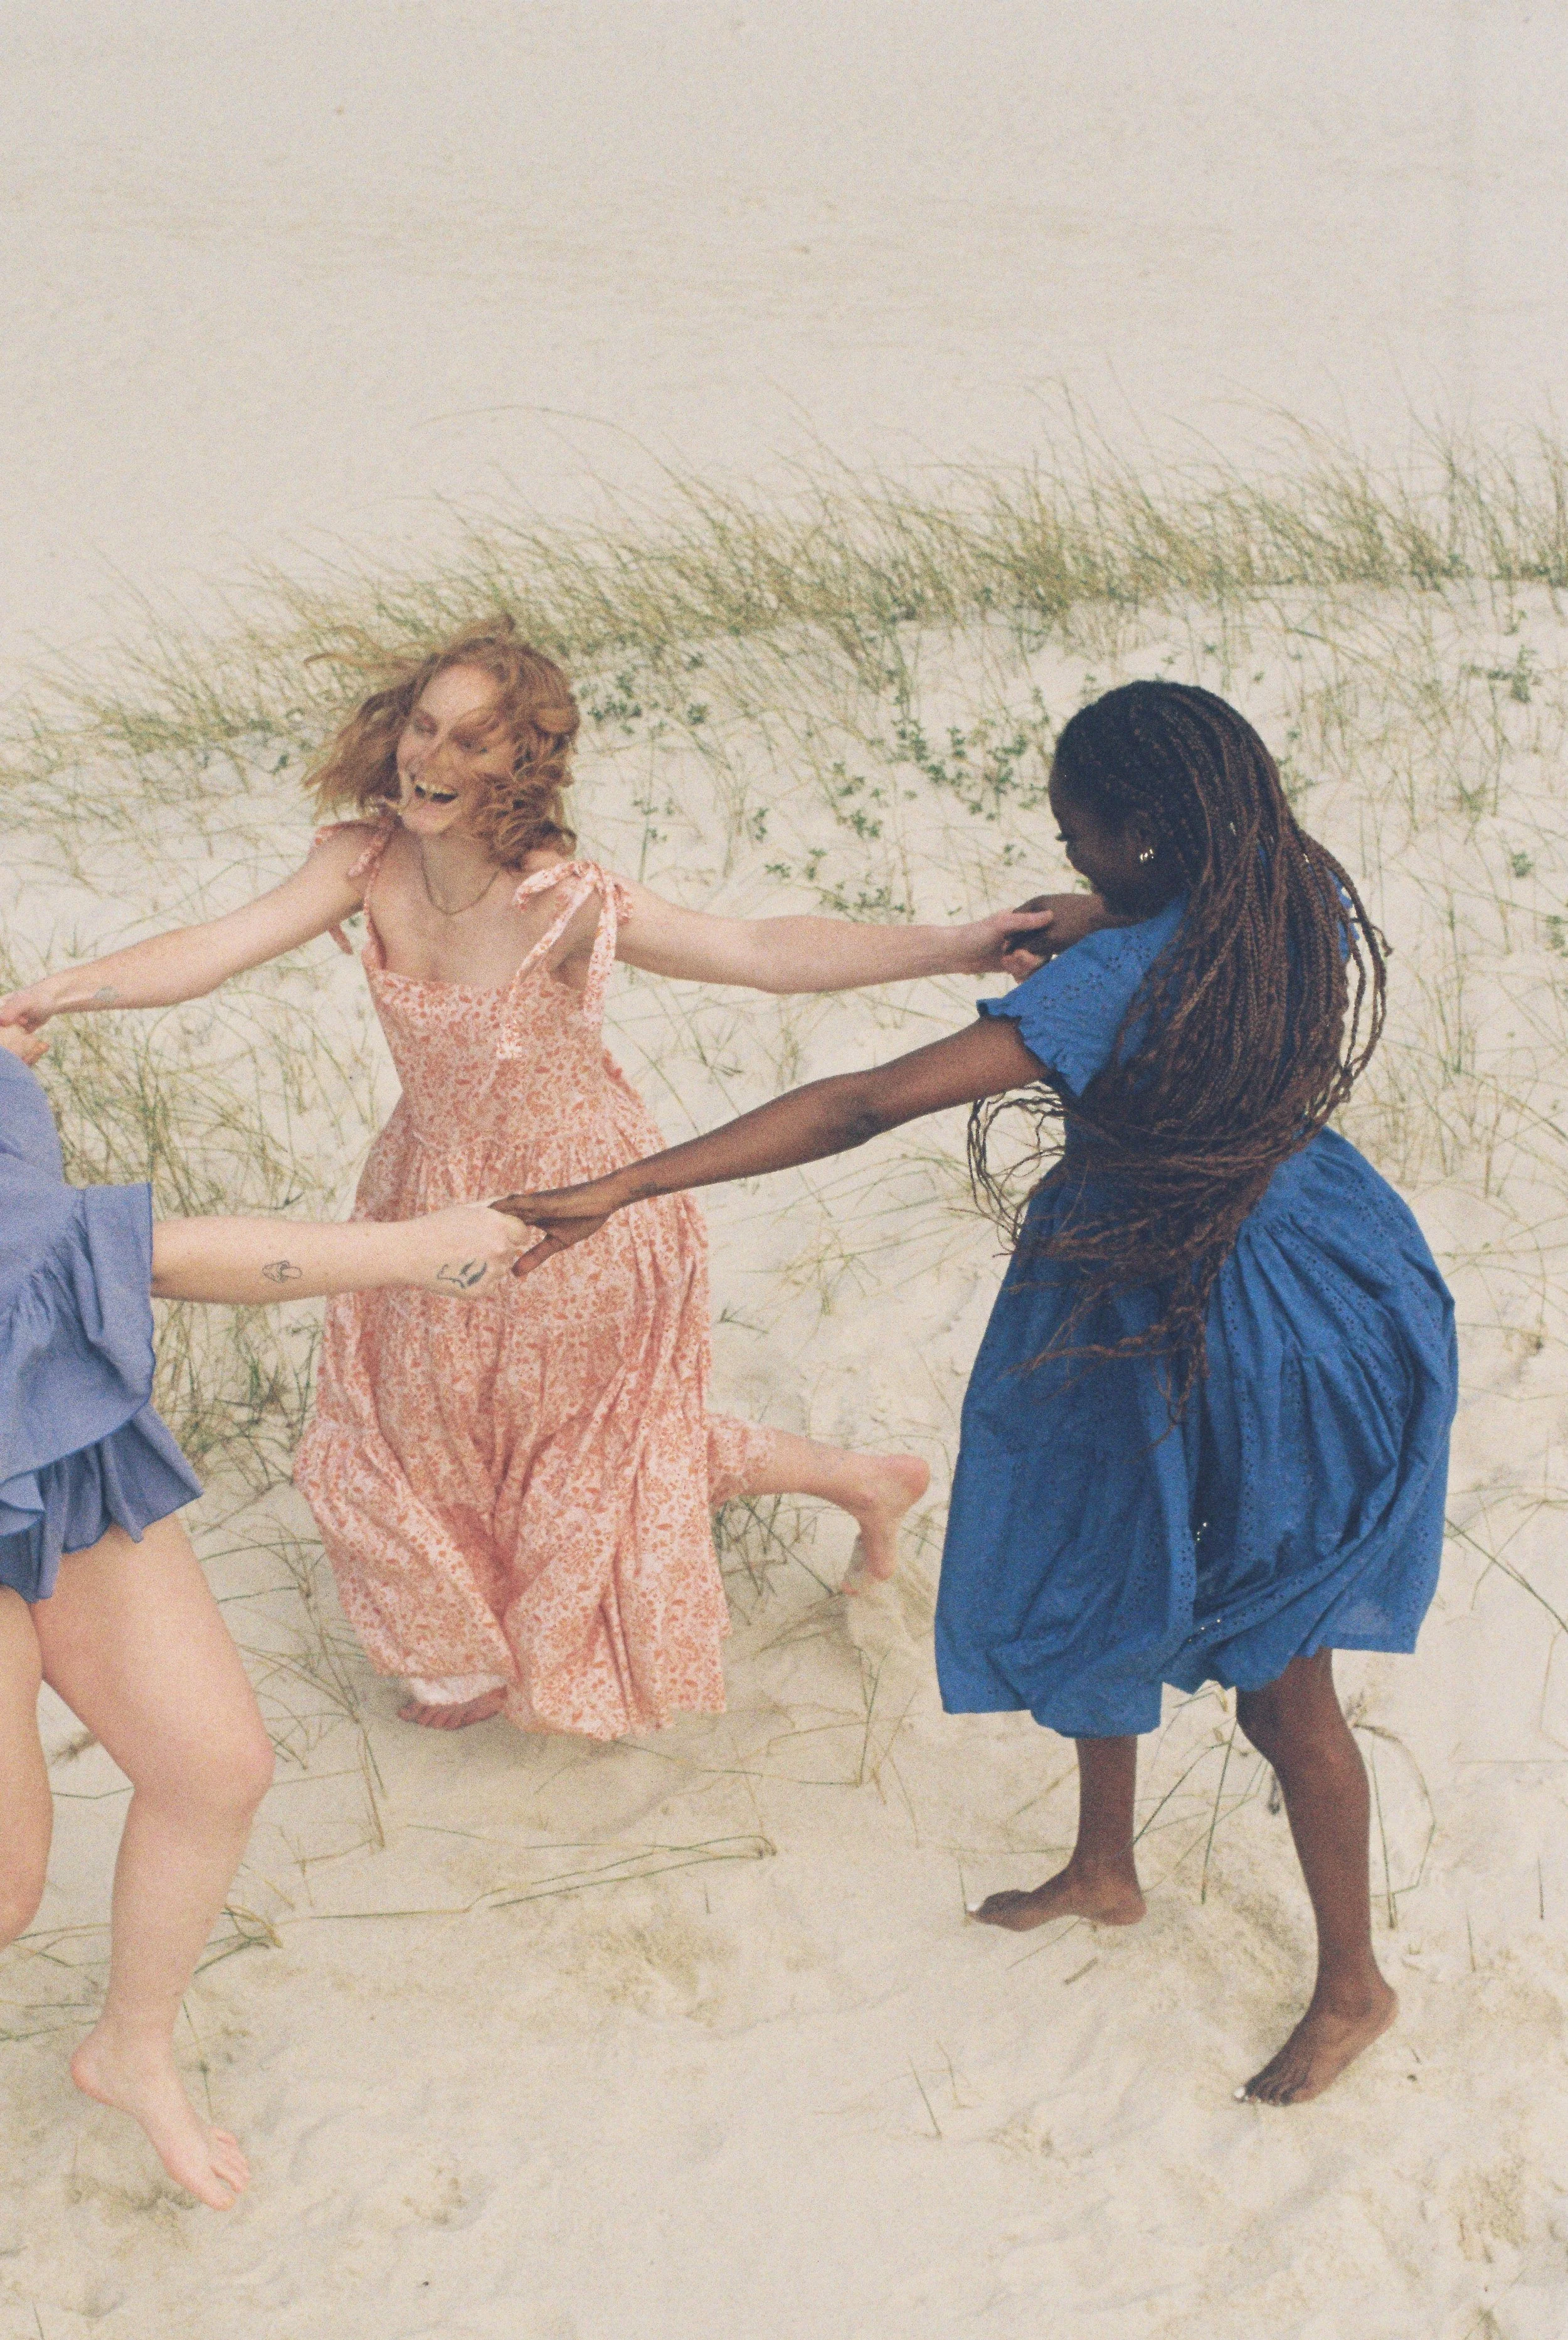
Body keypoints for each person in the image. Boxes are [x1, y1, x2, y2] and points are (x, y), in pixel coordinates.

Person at [497, 680, 1458, 2108]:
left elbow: (863, 1100)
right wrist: (1100, 916)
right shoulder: (1286, 892)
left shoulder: (1107, 983)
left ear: (1145, 838)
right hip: (1319, 1254)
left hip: (1200, 1305)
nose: (1067, 866)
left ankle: (1352, 1983)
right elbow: (1148, 935)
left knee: (1279, 1684)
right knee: (1102, 1548)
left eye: (1081, 845)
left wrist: (630, 1181)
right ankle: (1103, 1865)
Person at [0, 616, 1083, 1740]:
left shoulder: (561, 901)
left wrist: (959, 942)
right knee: (413, 1434)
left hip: (581, 1198)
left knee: (588, 1454)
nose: (433, 760)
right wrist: (62, 993)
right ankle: (820, 1496)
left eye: (474, 742)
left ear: (524, 765)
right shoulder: (358, 861)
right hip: (422, 1183)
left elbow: (759, 952)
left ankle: (858, 1480)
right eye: (425, 727)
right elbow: (214, 947)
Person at [0, 1021, 528, 2208]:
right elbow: (160, 1257)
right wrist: (409, 1249)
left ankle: (131, 2048)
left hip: (50, 1438)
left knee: (213, 1766)